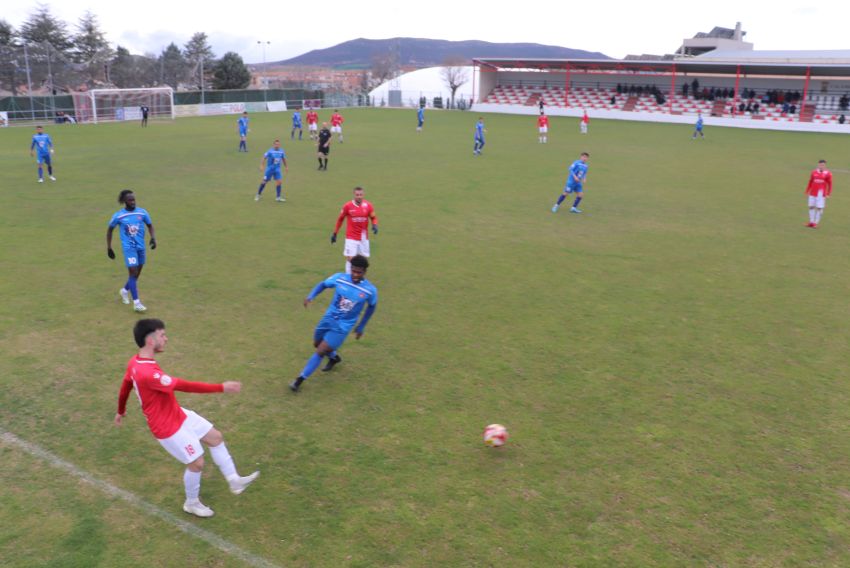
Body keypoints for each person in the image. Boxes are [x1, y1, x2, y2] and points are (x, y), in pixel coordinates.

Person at [115, 318, 259, 518]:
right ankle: (191, 503)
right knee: (197, 463)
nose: (166, 339)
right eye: (162, 335)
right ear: (150, 340)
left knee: (215, 437)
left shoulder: (136, 362)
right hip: (166, 428)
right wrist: (221, 388)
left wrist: (120, 410)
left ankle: (234, 480)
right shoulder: (149, 373)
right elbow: (184, 385)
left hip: (177, 414)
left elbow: (125, 385)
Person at [289, 255, 378, 393]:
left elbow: (372, 307)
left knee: (320, 350)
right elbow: (323, 285)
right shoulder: (340, 278)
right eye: (353, 270)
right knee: (317, 344)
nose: (355, 275)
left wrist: (361, 326)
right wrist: (310, 296)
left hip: (343, 327)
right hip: (328, 319)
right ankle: (334, 357)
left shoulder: (370, 290)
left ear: (365, 272)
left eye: (359, 272)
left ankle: (299, 380)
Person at [107, 190, 156, 312]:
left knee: (137, 274)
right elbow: (109, 230)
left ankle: (124, 291)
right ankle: (137, 303)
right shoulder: (119, 216)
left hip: (141, 247)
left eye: (134, 199)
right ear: (124, 201)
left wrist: (153, 238)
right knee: (133, 273)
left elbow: (150, 225)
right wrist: (109, 247)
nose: (133, 202)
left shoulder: (142, 212)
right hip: (129, 248)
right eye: (130, 200)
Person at [331, 186, 378, 274]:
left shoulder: (368, 205)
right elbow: (340, 219)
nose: (359, 196)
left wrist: (375, 225)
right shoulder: (347, 206)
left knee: (363, 261)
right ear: (354, 195)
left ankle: (360, 278)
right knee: (350, 258)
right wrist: (335, 233)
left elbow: (373, 217)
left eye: (360, 195)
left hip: (363, 237)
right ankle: (349, 277)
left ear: (363, 195)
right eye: (357, 195)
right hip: (351, 237)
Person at [805, 159, 833, 228]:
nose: (821, 166)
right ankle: (811, 222)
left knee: (819, 208)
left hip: (821, 194)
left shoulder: (828, 174)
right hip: (812, 192)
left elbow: (830, 184)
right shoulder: (814, 172)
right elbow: (810, 181)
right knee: (811, 207)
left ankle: (816, 223)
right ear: (818, 165)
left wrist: (828, 193)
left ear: (825, 165)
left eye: (823, 165)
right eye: (820, 165)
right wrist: (807, 190)